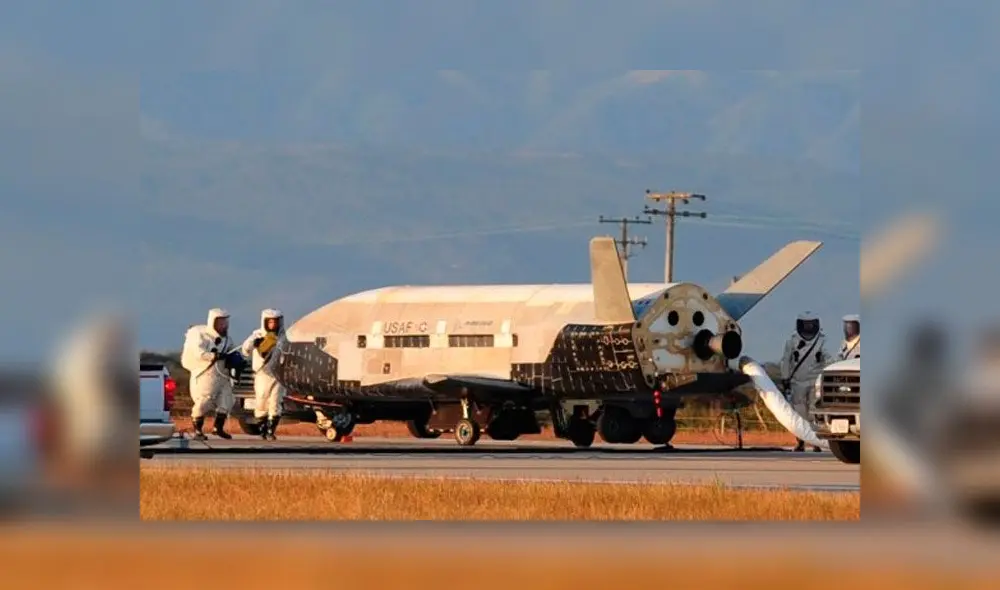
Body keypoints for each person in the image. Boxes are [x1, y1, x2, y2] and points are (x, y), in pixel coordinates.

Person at [181, 308, 236, 440]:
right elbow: (198, 352)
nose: (224, 325)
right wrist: (213, 355)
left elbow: (232, 350)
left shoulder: (227, 339)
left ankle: (218, 428)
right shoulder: (201, 336)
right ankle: (198, 430)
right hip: (206, 373)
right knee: (204, 401)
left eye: (225, 322)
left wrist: (235, 359)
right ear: (213, 322)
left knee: (227, 400)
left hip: (223, 374)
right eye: (220, 322)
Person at [779, 311, 830, 452]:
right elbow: (786, 361)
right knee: (799, 412)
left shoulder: (822, 341)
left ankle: (816, 442)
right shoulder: (792, 341)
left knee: (814, 412)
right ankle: (800, 441)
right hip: (797, 382)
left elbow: (830, 360)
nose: (808, 327)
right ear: (800, 324)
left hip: (815, 381)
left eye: (810, 324)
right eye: (805, 324)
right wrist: (785, 378)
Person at [240, 308, 287, 440]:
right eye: (270, 322)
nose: (273, 325)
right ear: (265, 322)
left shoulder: (285, 336)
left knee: (275, 402)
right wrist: (255, 344)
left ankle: (271, 430)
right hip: (262, 374)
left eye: (275, 322)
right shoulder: (257, 334)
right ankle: (262, 428)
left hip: (278, 374)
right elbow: (245, 350)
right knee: (261, 401)